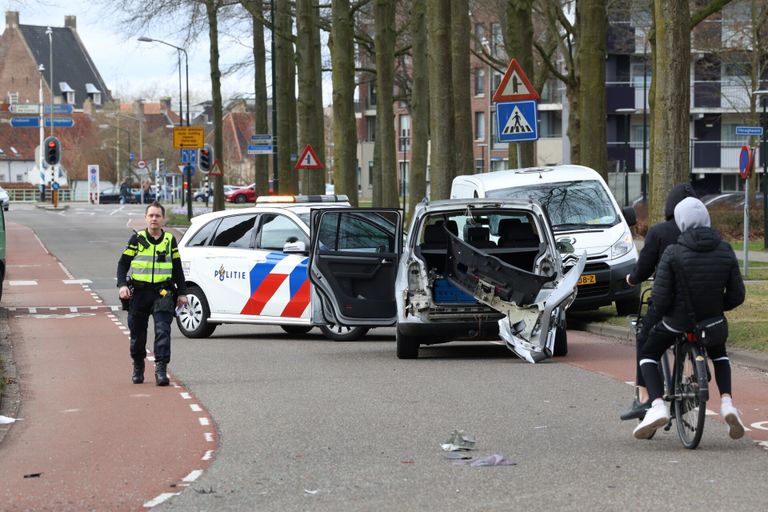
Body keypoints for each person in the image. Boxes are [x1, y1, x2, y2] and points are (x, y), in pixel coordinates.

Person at [633, 197, 746, 440]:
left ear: (681, 222)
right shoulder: (725, 249)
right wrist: (717, 306)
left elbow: (661, 299)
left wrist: (655, 319)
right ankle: (727, 403)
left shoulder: (674, 252)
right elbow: (737, 294)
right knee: (720, 354)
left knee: (648, 354)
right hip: (712, 321)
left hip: (677, 321)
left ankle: (656, 406)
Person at [621, 184, 697, 421]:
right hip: (700, 303)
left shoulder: (660, 232)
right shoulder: (705, 231)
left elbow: (643, 267)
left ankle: (644, 397)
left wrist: (631, 279)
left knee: (645, 337)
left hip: (668, 303)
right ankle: (693, 375)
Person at [117, 201, 188, 386]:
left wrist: (182, 293)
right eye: (151, 215)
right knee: (137, 335)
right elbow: (123, 264)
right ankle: (138, 366)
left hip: (162, 292)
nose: (154, 218)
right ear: (146, 218)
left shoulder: (169, 240)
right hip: (139, 294)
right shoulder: (137, 239)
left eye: (157, 215)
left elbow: (177, 269)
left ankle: (161, 369)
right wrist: (122, 285)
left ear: (163, 219)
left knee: (163, 331)